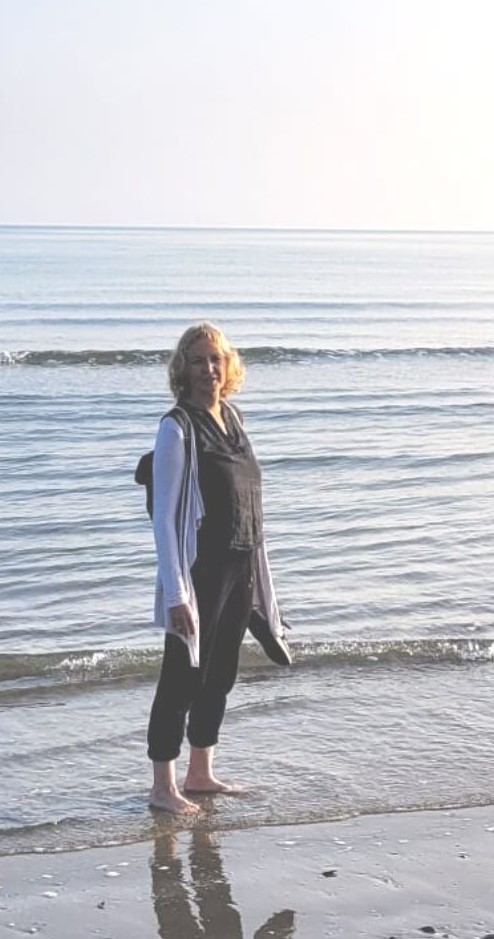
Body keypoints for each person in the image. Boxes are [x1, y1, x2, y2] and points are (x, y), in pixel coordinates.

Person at [147, 323, 288, 813]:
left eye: (216, 359)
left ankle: (200, 772)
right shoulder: (176, 427)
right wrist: (176, 594)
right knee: (182, 676)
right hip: (200, 571)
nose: (209, 368)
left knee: (220, 673)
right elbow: (165, 519)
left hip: (241, 563)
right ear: (182, 370)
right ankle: (163, 786)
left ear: (228, 366)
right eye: (198, 360)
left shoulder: (233, 417)